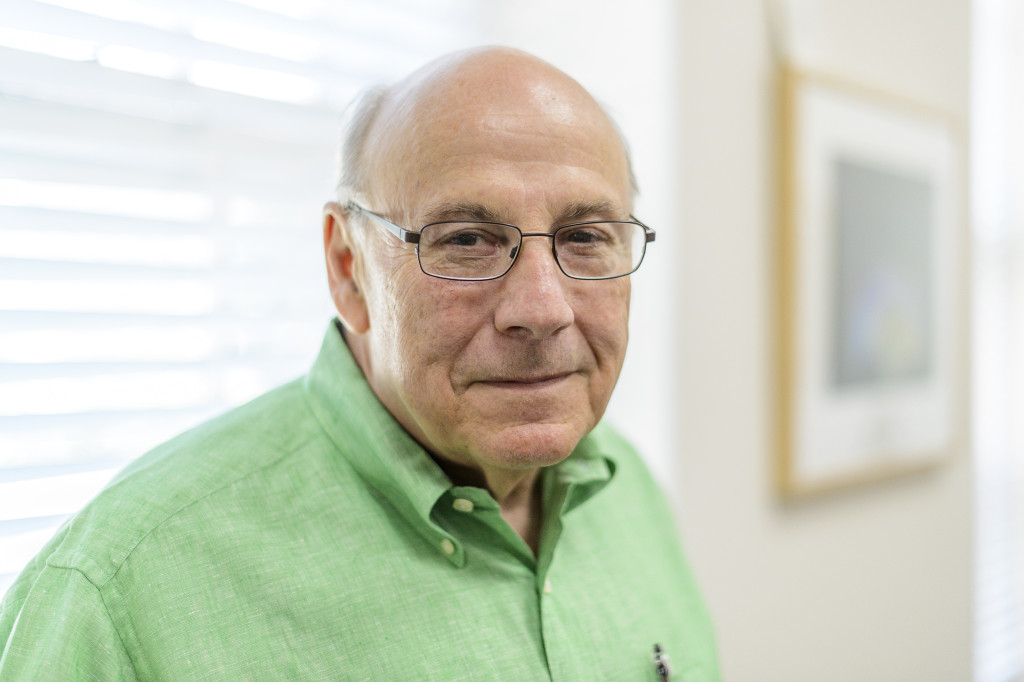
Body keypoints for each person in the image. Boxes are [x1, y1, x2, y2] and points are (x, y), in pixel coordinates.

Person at [0, 47, 719, 680]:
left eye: (586, 235)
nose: (543, 308)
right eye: (466, 238)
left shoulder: (628, 493)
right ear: (348, 267)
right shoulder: (117, 591)